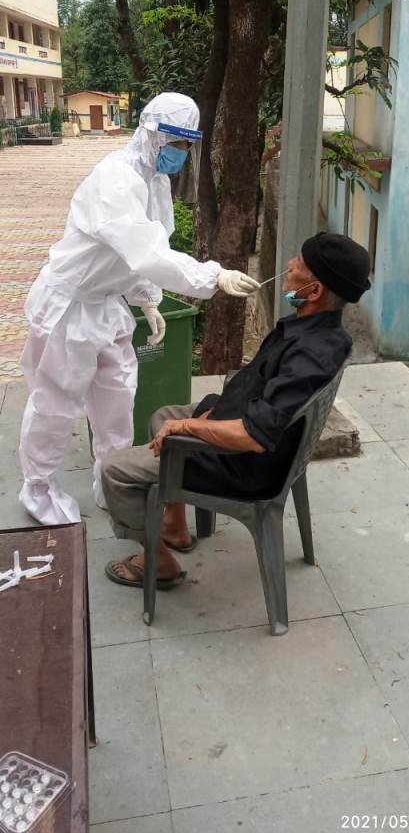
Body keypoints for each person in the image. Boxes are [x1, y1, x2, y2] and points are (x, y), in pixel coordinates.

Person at [19, 92, 260, 527]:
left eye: (187, 144)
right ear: (153, 135)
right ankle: (38, 488)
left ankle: (112, 480)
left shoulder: (154, 181)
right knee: (55, 403)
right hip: (71, 306)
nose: (181, 152)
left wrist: (147, 299)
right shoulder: (116, 179)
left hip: (107, 304)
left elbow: (151, 244)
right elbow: (143, 250)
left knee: (116, 399)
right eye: (177, 142)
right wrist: (211, 276)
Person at [101, 231, 371, 590]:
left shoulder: (310, 353)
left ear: (315, 290)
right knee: (163, 416)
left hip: (244, 465)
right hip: (248, 429)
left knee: (115, 470)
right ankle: (174, 525)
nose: (289, 265)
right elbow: (258, 390)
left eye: (299, 264)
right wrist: (208, 414)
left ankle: (159, 562)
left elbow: (253, 436)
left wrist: (191, 428)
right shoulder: (316, 331)